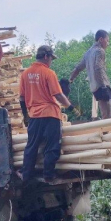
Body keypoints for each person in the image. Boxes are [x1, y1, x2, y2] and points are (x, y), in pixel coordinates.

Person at [19, 45, 73, 184]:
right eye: (51, 59)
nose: (51, 62)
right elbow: (58, 94)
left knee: (31, 146)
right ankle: (48, 175)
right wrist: (70, 106)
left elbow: (22, 98)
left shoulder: (25, 74)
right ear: (45, 56)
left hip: (34, 116)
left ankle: (26, 175)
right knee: (52, 146)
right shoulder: (49, 73)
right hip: (50, 115)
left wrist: (26, 116)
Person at [69, 30, 111, 120]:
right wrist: (103, 87)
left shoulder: (87, 53)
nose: (108, 43)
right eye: (107, 40)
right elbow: (98, 68)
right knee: (107, 116)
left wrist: (71, 79)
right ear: (101, 39)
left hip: (99, 87)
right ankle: (106, 133)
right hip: (102, 87)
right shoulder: (100, 51)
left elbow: (78, 68)